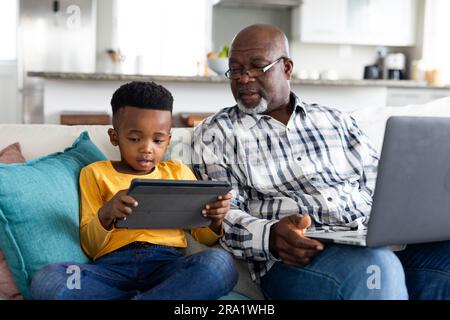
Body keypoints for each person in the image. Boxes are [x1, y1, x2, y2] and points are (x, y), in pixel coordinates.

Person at [193, 24, 450, 300]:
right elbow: (224, 213)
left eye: (257, 67)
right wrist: (270, 236)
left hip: (372, 239)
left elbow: (382, 185)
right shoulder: (215, 133)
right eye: (236, 70)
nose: (244, 79)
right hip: (298, 258)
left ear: (287, 68)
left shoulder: (336, 120)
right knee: (377, 269)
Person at [30, 81, 238, 300]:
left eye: (157, 140)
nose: (147, 148)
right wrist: (107, 212)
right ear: (114, 137)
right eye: (135, 139)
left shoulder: (177, 171)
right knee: (48, 279)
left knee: (220, 264)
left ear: (168, 141)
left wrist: (215, 220)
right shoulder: (94, 173)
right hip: (111, 270)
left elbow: (203, 237)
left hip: (167, 268)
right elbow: (90, 247)